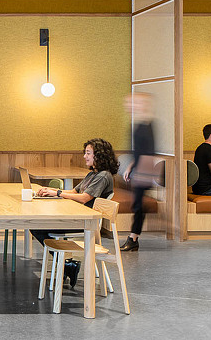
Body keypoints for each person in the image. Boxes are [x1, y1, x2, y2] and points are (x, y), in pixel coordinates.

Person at [32, 138, 118, 288]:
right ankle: (67, 265)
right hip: (78, 217)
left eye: (88, 153)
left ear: (99, 155)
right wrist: (52, 191)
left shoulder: (103, 176)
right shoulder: (92, 174)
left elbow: (85, 198)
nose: (85, 156)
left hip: (84, 222)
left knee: (37, 225)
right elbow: (73, 191)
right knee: (35, 224)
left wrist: (58, 193)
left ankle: (66, 265)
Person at [120, 93, 155, 252]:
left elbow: (148, 152)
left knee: (138, 205)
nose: (130, 105)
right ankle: (133, 237)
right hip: (140, 168)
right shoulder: (139, 124)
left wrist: (140, 172)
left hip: (145, 169)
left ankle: (133, 238)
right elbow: (139, 151)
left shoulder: (147, 125)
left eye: (134, 103)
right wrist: (130, 167)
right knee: (138, 204)